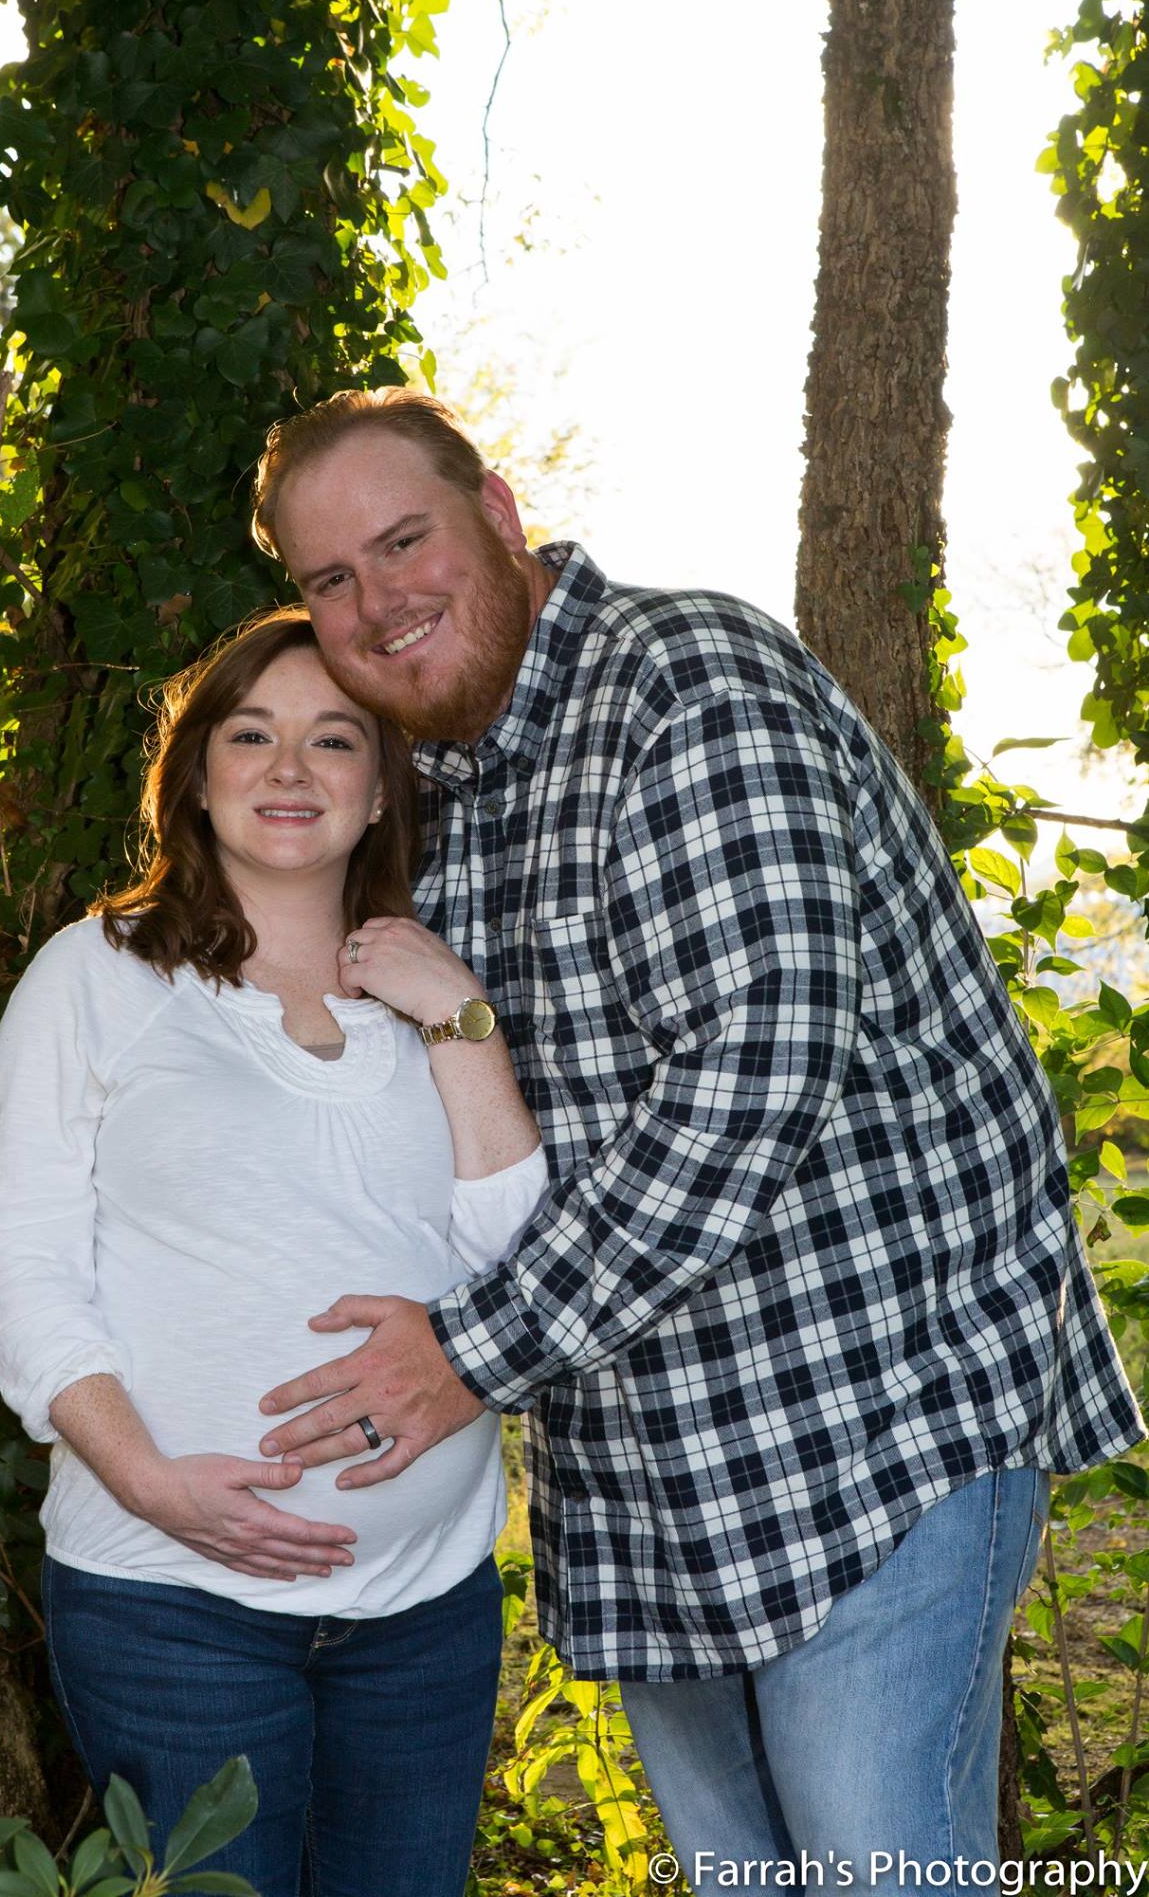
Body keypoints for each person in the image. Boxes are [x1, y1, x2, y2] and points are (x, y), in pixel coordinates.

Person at [246, 388, 1147, 1882]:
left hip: (871, 1426)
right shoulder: (439, 801)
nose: (376, 601)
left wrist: (467, 1354)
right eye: (330, 578)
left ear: (499, 514)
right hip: (656, 1487)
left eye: (403, 542)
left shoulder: (686, 685)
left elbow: (758, 1072)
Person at [0, 608, 549, 1897]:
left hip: (426, 1611)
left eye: (333, 739)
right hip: (170, 1603)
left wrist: (459, 1017)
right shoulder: (98, 976)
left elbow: (516, 1265)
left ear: (381, 787)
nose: (290, 769)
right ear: (195, 774)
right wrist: (150, 1484)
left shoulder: (431, 989)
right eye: (250, 735)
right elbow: (24, 1266)